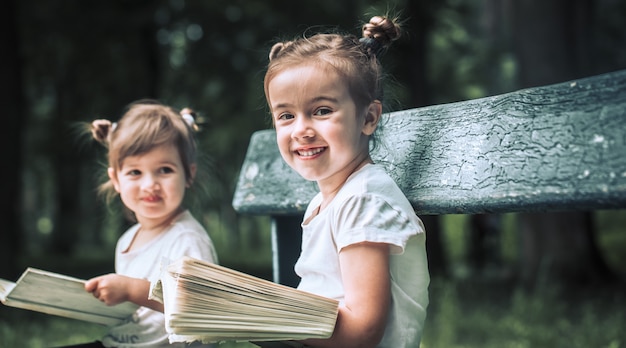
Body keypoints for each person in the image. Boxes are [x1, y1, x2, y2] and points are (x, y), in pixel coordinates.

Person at [262, 15, 430, 348]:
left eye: (322, 111)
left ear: (368, 118)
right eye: (286, 116)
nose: (301, 130)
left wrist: (269, 319)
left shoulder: (362, 201)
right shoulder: (327, 201)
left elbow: (361, 331)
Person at [61, 100, 219, 348]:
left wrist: (131, 290)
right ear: (115, 179)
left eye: (164, 170)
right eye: (135, 172)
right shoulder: (128, 239)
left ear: (188, 174)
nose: (149, 185)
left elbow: (200, 306)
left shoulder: (186, 239)